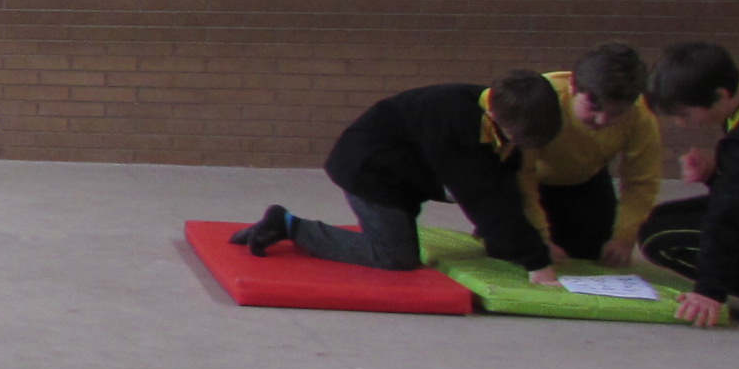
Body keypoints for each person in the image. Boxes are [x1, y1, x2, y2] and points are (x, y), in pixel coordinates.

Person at [232, 70, 565, 282]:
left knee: (489, 224)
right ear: (495, 114)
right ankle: (289, 225)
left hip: (402, 173)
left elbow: (504, 186)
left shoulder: (501, 114)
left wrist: (529, 242)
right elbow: (486, 200)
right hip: (368, 169)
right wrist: (535, 261)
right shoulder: (457, 123)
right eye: (514, 138)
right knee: (395, 257)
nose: (517, 146)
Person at [637, 42, 739, 330]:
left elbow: (728, 213)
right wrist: (715, 174)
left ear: (720, 95)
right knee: (660, 219)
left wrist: (709, 291)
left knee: (660, 237)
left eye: (685, 114)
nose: (680, 123)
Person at [522, 42, 660, 266]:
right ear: (573, 87)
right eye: (592, 108)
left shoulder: (641, 116)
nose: (602, 120)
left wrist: (624, 237)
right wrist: (539, 234)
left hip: (584, 179)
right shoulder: (542, 99)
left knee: (596, 254)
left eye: (616, 114)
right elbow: (523, 173)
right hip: (527, 179)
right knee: (518, 248)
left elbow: (640, 182)